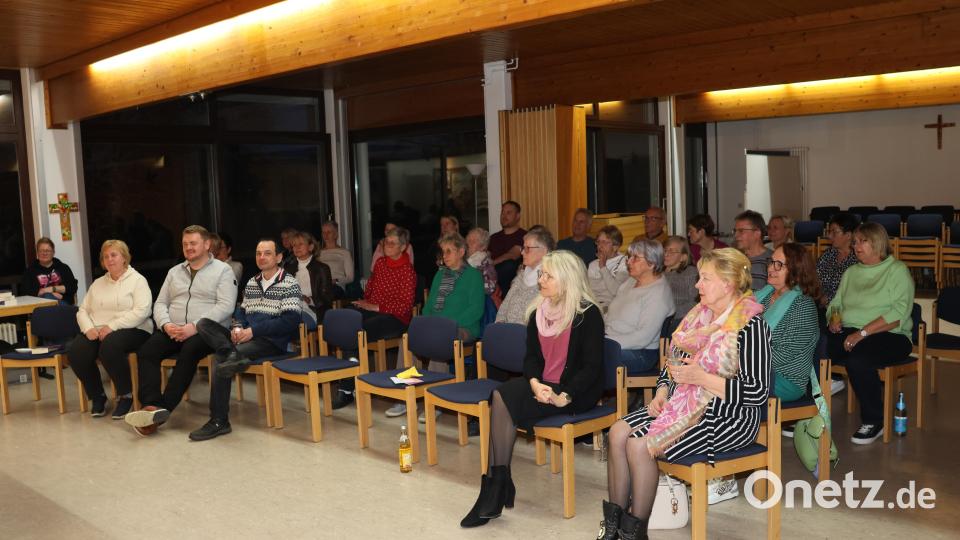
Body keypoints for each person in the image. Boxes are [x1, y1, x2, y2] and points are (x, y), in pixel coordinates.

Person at [599, 248, 770, 539]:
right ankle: (614, 528)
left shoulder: (750, 326)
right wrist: (662, 391)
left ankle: (634, 532)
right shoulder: (696, 318)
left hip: (728, 417)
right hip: (680, 405)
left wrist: (702, 378)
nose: (697, 285)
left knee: (639, 446)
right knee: (617, 432)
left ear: (727, 284)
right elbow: (672, 366)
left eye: (705, 279)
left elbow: (757, 392)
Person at [461, 251, 604, 528]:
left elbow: (591, 367)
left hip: (574, 391)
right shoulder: (539, 311)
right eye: (541, 274)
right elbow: (532, 360)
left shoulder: (588, 314)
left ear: (566, 279)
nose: (541, 280)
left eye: (548, 275)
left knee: (503, 399)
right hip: (544, 384)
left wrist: (565, 396)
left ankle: (494, 489)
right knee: (500, 395)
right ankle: (497, 483)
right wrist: (534, 383)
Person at [124, 225, 238, 436]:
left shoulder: (223, 270)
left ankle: (163, 410)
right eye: (185, 244)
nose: (188, 247)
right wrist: (166, 324)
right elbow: (160, 303)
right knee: (147, 351)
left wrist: (193, 327)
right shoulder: (174, 272)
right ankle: (151, 405)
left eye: (193, 243)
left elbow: (226, 306)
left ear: (207, 244)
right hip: (173, 329)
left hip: (205, 332)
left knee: (189, 352)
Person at [187, 238, 303, 441]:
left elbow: (290, 321)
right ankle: (231, 352)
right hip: (247, 337)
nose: (261, 257)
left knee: (220, 360)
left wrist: (253, 331)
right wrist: (237, 327)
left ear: (278, 257)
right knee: (204, 324)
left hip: (272, 342)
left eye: (267, 253)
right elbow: (241, 312)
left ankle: (219, 421)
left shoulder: (289, 283)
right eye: (258, 253)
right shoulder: (252, 282)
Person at [826, 222, 914, 445]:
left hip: (891, 335)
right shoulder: (851, 272)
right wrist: (833, 319)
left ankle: (874, 420)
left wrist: (862, 333)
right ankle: (807, 412)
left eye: (863, 241)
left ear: (878, 243)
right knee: (814, 345)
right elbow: (836, 303)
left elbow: (899, 313)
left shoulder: (897, 270)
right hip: (851, 332)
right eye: (855, 242)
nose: (856, 246)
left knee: (858, 360)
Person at [70, 240, 153, 419]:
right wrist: (88, 328)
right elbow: (82, 310)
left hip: (135, 328)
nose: (109, 259)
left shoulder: (138, 280)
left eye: (114, 255)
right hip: (99, 329)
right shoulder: (98, 283)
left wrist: (112, 326)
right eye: (106, 256)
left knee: (109, 346)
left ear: (124, 258)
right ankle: (97, 396)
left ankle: (126, 395)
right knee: (76, 351)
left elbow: (142, 311)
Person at [351, 226, 418, 413]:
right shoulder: (380, 263)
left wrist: (377, 307)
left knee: (360, 330)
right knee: (348, 319)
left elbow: (405, 306)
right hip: (374, 310)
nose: (387, 245)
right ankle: (350, 381)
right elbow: (370, 289)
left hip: (396, 318)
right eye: (386, 242)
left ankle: (356, 383)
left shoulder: (407, 270)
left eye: (392, 243)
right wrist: (364, 302)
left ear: (403, 247)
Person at [755, 243, 821, 402]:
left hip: (785, 379)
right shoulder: (762, 296)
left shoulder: (803, 305)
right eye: (771, 262)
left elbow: (784, 353)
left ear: (796, 271)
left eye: (778, 265)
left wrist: (741, 363)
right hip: (755, 369)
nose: (770, 268)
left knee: (721, 382)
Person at [605, 239, 675, 374]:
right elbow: (612, 314)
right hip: (612, 341)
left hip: (640, 353)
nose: (629, 262)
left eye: (635, 258)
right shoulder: (631, 281)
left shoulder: (658, 294)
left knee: (594, 356)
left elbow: (642, 337)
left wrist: (606, 342)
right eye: (629, 257)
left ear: (652, 263)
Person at [424, 233, 485, 343]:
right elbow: (429, 305)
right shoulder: (439, 275)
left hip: (463, 327)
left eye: (448, 251)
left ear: (461, 252)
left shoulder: (474, 275)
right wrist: (427, 322)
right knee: (409, 336)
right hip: (437, 325)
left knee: (440, 336)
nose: (444, 256)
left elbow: (476, 310)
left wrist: (450, 324)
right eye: (443, 252)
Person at [495, 228, 554, 324]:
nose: (522, 252)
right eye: (523, 248)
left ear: (544, 251)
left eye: (527, 249)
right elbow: (504, 306)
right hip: (508, 328)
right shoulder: (521, 275)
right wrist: (499, 323)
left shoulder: (550, 280)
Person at [283, 231, 334, 321]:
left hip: (313, 311)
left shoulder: (322, 269)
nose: (297, 247)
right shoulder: (288, 269)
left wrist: (309, 300)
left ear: (311, 247)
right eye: (294, 245)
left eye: (300, 244)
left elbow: (327, 298)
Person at [817, 212, 859, 305]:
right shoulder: (828, 254)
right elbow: (815, 279)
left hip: (847, 307)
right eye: (829, 232)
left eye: (834, 232)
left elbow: (855, 291)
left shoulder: (858, 258)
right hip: (821, 305)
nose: (829, 236)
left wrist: (829, 299)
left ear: (848, 235)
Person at [20, 237, 78, 304]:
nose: (44, 253)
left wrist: (51, 289)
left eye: (47, 250)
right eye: (41, 251)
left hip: (63, 304)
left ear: (53, 252)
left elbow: (73, 287)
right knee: (47, 296)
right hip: (40, 306)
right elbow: (25, 293)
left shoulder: (63, 268)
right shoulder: (30, 271)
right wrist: (46, 293)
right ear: (37, 253)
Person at [587, 225, 629, 311]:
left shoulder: (624, 263)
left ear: (615, 246)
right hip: (593, 306)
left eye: (604, 242)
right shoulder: (593, 265)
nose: (600, 246)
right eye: (598, 242)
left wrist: (603, 267)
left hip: (613, 308)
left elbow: (616, 291)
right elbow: (589, 292)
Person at [489, 201, 527, 294]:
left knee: (509, 265)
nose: (504, 216)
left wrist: (491, 264)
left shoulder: (525, 236)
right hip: (492, 281)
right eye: (502, 212)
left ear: (517, 216)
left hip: (512, 284)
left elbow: (513, 254)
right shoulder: (493, 238)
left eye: (508, 213)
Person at [662, 235, 698, 329]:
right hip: (659, 317)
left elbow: (695, 302)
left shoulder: (690, 273)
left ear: (683, 257)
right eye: (665, 250)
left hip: (680, 319)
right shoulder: (658, 273)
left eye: (672, 251)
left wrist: (672, 314)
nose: (666, 254)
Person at [733, 210, 772, 291]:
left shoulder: (772, 261)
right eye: (735, 231)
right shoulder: (736, 259)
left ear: (757, 233)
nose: (736, 235)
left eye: (741, 231)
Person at [319, 220, 355, 299]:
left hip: (336, 286)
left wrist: (336, 280)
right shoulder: (318, 253)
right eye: (324, 232)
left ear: (335, 234)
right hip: (320, 285)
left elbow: (350, 277)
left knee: (326, 293)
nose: (326, 235)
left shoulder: (344, 253)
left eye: (329, 232)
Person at [466, 227, 498, 298]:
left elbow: (490, 287)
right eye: (467, 240)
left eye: (473, 241)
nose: (468, 244)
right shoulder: (463, 260)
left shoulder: (486, 263)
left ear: (483, 247)